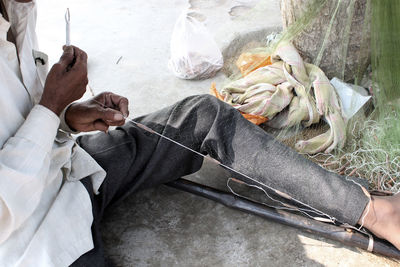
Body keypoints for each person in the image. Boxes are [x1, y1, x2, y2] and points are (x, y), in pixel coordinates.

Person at [0, 0, 399, 266]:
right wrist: (51, 106)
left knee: (201, 114)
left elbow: (23, 119)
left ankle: (374, 211)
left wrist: (67, 116)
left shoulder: (16, 9)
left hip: (69, 174)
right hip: (34, 242)